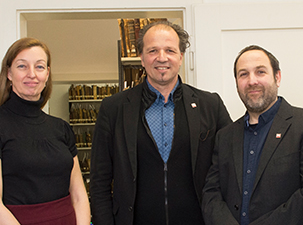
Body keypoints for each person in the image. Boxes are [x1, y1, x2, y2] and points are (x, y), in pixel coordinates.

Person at [89, 21, 232, 225]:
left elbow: (231, 167)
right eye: (153, 50)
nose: (162, 58)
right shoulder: (113, 109)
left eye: (170, 50)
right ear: (141, 57)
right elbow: (99, 181)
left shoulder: (210, 105)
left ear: (181, 57)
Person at [0, 37, 90, 225]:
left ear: (47, 74)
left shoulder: (61, 128)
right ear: (9, 73)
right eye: (22, 66)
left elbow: (79, 195)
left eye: (39, 67)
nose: (32, 74)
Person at [202, 45, 303, 225]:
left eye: (260, 72)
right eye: (243, 74)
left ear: (277, 77)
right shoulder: (225, 136)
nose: (252, 81)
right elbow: (211, 193)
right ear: (237, 82)